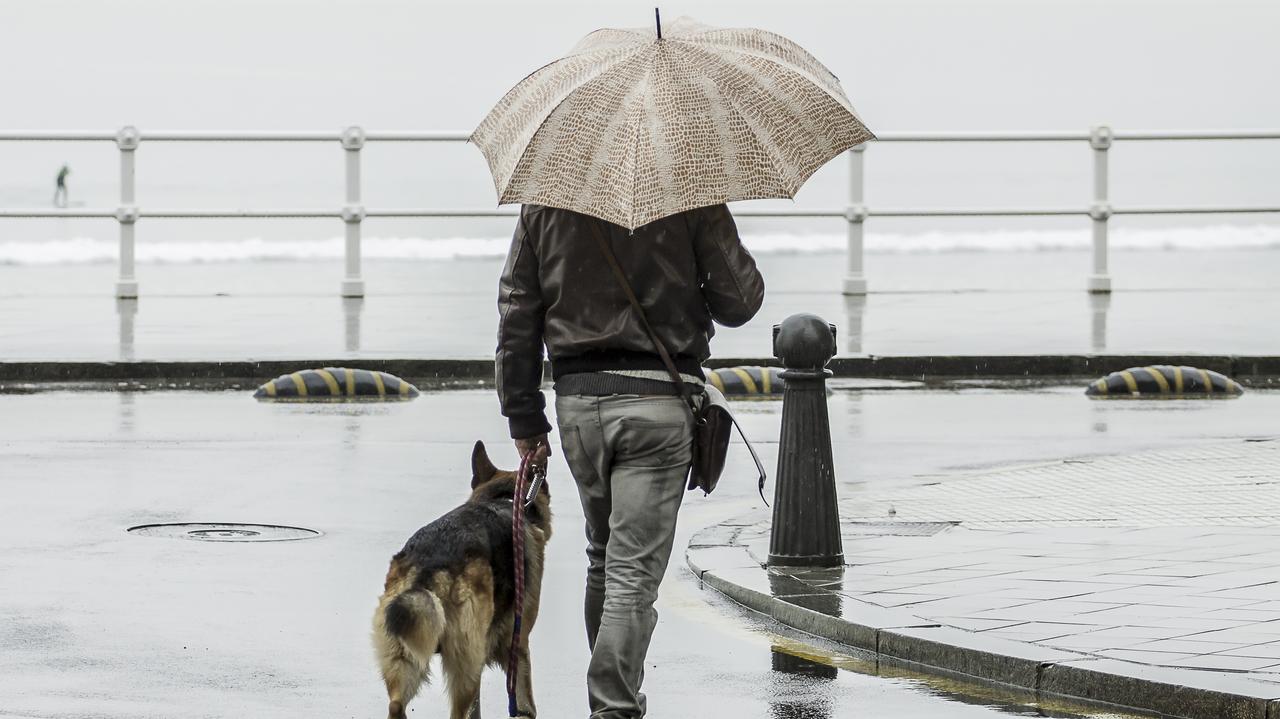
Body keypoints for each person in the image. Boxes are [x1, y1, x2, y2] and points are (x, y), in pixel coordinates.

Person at [496, 203, 764, 718]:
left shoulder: (549, 198)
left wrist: (525, 420)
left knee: (605, 557)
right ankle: (614, 707)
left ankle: (616, 699)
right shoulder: (690, 189)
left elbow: (516, 311)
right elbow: (740, 301)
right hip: (658, 403)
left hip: (579, 403)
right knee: (632, 573)